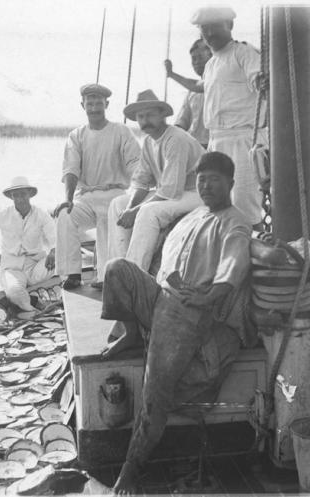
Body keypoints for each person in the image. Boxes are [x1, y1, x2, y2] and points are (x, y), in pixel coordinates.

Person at [101, 151, 252, 494]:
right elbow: (168, 257)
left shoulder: (235, 222)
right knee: (116, 270)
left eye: (214, 179)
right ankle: (130, 334)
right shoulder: (193, 215)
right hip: (163, 296)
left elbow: (234, 263)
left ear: (230, 183)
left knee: (156, 391)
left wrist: (209, 296)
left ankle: (131, 467)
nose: (206, 185)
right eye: (201, 179)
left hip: (190, 312)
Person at [165, 6, 267, 229]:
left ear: (229, 26)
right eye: (204, 29)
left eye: (214, 27)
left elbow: (257, 77)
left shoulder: (244, 53)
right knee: (217, 202)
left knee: (244, 202)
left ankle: (253, 250)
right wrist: (172, 75)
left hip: (244, 139)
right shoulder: (212, 63)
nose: (209, 34)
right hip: (217, 140)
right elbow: (199, 86)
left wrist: (262, 82)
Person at [54, 83, 141, 290]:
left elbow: (135, 166)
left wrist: (139, 193)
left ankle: (106, 276)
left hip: (115, 193)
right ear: (82, 105)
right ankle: (73, 273)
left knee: (107, 221)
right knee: (65, 215)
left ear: (107, 104)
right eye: (89, 103)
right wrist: (68, 199)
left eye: (98, 103)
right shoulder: (77, 136)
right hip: (86, 195)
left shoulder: (122, 131)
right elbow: (71, 169)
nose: (94, 108)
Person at [107, 90, 204, 272]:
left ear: (162, 115)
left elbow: (169, 190)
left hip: (196, 193)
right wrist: (129, 208)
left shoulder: (175, 138)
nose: (145, 121)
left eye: (150, 115)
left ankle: (136, 276)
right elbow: (142, 182)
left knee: (148, 211)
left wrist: (136, 210)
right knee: (117, 204)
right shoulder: (149, 142)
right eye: (141, 116)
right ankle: (117, 270)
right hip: (175, 193)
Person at [0, 176, 55, 319]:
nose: (20, 198)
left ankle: (38, 297)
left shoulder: (41, 215)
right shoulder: (3, 215)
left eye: (23, 194)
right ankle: (33, 309)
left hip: (37, 266)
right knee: (14, 291)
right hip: (12, 269)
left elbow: (54, 236)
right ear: (11, 197)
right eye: (16, 195)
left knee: (63, 259)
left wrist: (54, 251)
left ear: (29, 194)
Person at [171, 39, 212, 148]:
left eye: (200, 57)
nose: (196, 62)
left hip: (215, 145)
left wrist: (171, 74)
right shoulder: (191, 93)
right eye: (194, 59)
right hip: (193, 147)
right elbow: (182, 121)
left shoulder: (221, 84)